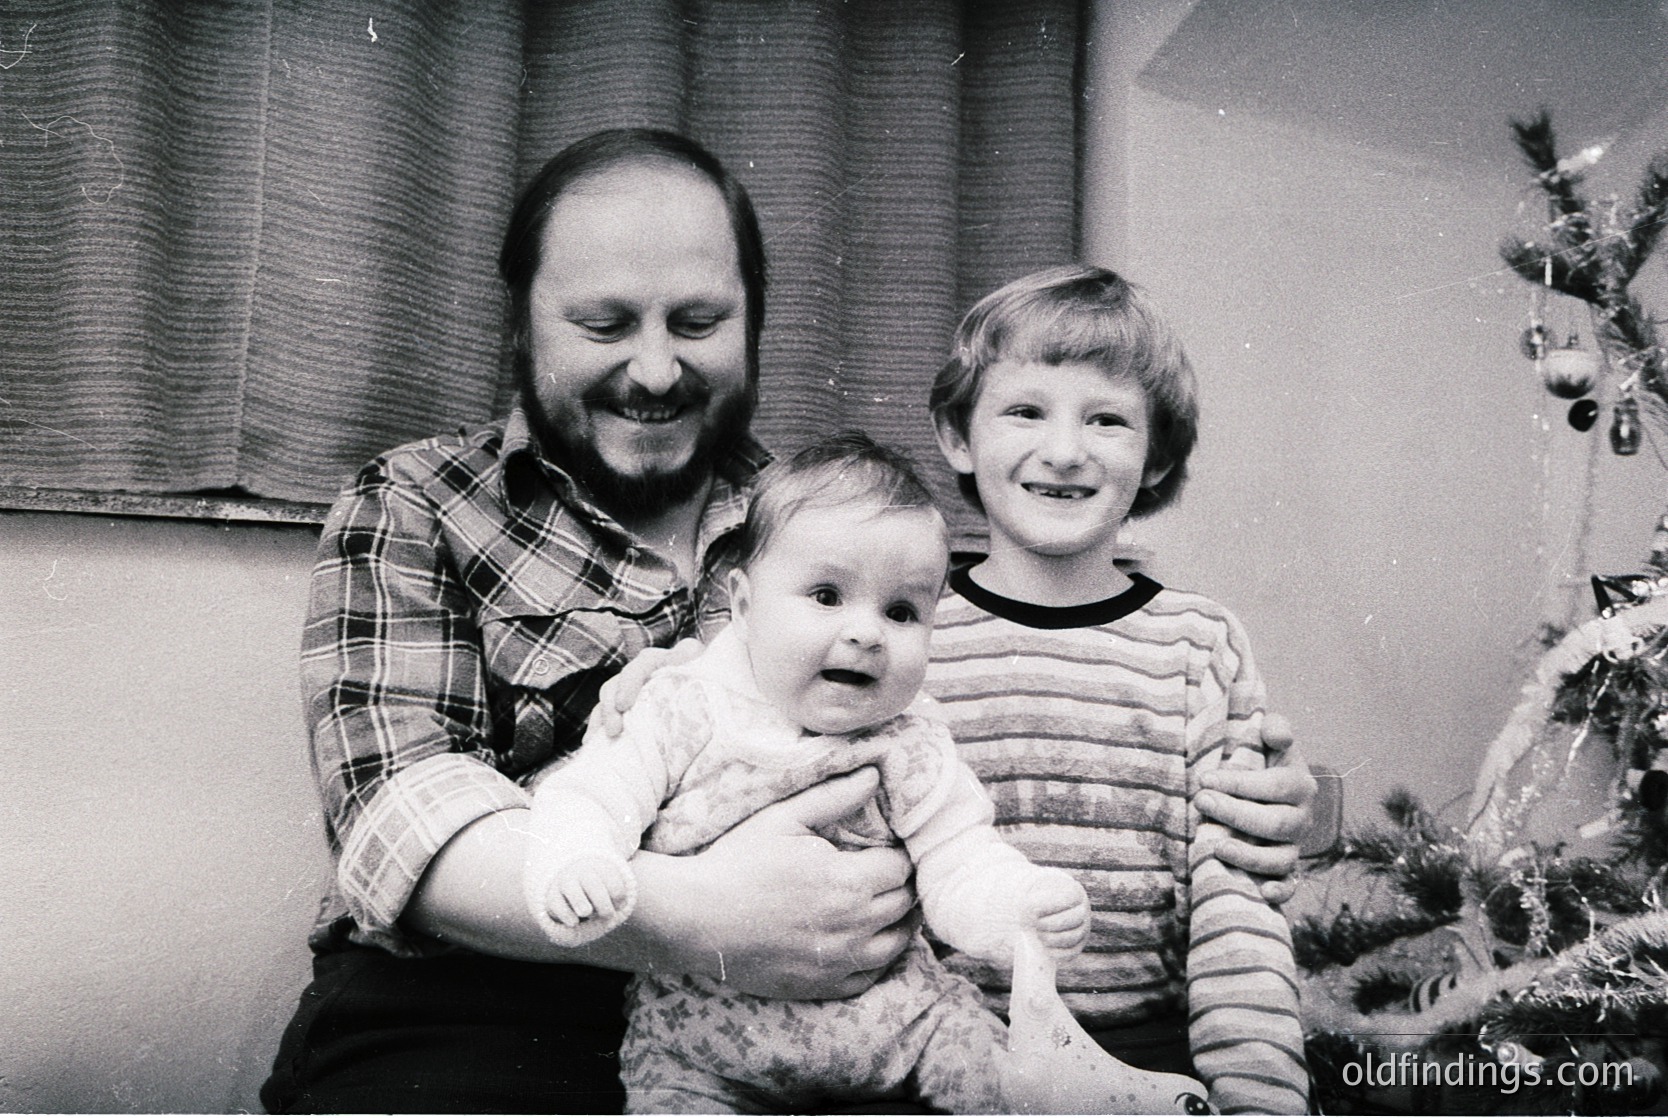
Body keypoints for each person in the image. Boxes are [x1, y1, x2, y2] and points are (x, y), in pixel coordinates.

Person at [262, 127, 1314, 1114]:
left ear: (756, 322)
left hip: (831, 1017)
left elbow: (989, 720)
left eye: (700, 322)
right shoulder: (420, 501)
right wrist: (694, 915)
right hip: (481, 1002)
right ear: (522, 319)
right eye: (604, 323)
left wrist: (1240, 790)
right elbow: (397, 810)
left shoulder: (832, 524)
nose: (658, 366)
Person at [525, 433, 1103, 1113]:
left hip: (898, 1023)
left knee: (995, 1068)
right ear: (743, 607)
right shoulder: (683, 707)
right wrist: (576, 860)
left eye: (901, 611)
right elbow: (591, 794)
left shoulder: (911, 743)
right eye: (827, 595)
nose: (866, 633)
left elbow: (961, 860)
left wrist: (1016, 909)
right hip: (705, 1045)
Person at [924, 264, 1309, 1112]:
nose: (1064, 451)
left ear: (1157, 452)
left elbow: (1236, 910)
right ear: (958, 436)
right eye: (1025, 411)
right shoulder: (906, 634)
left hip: (1147, 1058)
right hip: (934, 1059)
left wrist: (1262, 1098)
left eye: (1106, 419)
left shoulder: (1197, 645)